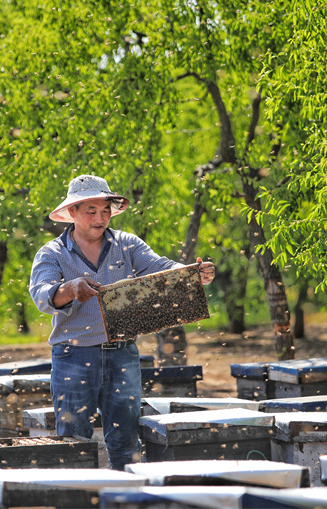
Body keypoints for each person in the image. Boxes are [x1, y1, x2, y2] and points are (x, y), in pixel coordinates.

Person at [29, 174, 215, 470]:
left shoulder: (127, 244)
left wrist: (193, 273)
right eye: (91, 211)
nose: (100, 218)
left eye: (105, 210)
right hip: (73, 355)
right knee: (74, 441)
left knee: (127, 440)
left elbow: (161, 267)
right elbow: (41, 295)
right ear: (72, 212)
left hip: (122, 353)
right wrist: (70, 289)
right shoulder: (51, 253)